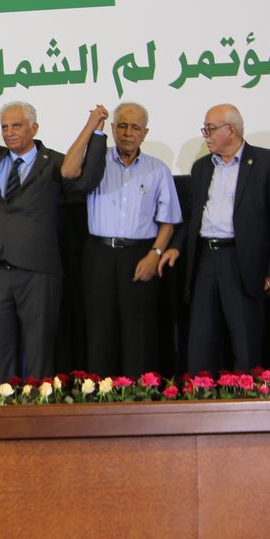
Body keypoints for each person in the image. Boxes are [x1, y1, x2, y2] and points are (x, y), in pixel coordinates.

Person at [0, 100, 104, 380]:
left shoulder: (54, 161)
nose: (9, 132)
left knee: (39, 351)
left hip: (37, 271)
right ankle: (5, 413)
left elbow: (81, 179)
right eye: (4, 127)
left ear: (34, 128)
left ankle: (38, 414)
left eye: (16, 125)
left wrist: (93, 130)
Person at [159, 104, 270, 372]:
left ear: (231, 130)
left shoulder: (266, 162)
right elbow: (191, 219)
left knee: (245, 340)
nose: (205, 135)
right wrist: (175, 248)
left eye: (211, 128)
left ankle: (246, 400)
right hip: (205, 259)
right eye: (204, 129)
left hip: (241, 260)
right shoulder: (201, 168)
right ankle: (200, 399)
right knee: (200, 338)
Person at [78, 102, 182, 377]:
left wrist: (155, 254)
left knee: (139, 334)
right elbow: (68, 172)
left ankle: (138, 400)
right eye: (122, 125)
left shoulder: (158, 170)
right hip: (99, 254)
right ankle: (99, 399)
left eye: (135, 127)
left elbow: (168, 221)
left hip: (140, 256)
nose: (127, 132)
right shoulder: (95, 163)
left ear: (144, 133)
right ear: (112, 129)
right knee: (100, 332)